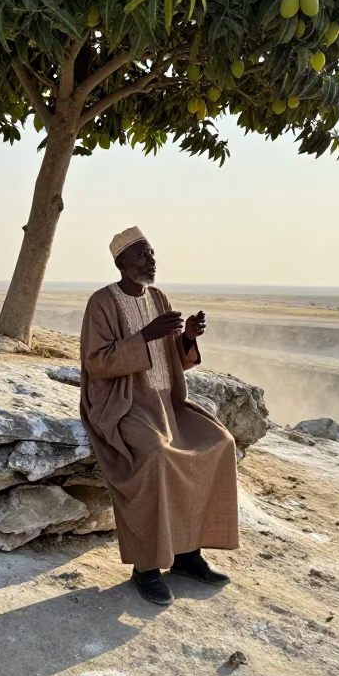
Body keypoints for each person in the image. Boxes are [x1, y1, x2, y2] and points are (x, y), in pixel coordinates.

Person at [79, 227, 239, 606]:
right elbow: (97, 363)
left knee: (219, 443)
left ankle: (186, 555)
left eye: (151, 253)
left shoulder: (159, 297)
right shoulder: (101, 302)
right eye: (142, 255)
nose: (150, 260)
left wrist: (187, 338)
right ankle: (147, 568)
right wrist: (147, 334)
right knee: (155, 456)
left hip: (168, 402)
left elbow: (174, 359)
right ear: (121, 263)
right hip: (125, 402)